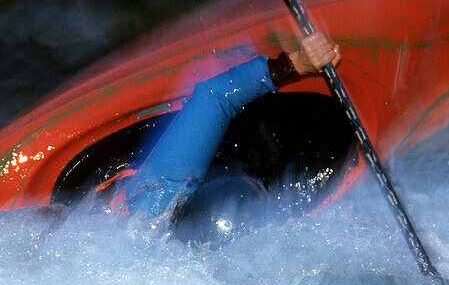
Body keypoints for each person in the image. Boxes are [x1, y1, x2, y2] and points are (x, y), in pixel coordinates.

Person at [109, 32, 340, 238]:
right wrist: (298, 64)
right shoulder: (157, 199)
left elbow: (215, 96)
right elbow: (215, 95)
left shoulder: (155, 198)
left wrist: (298, 64)